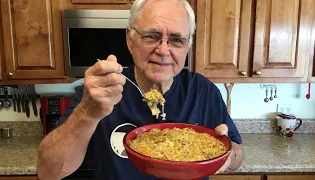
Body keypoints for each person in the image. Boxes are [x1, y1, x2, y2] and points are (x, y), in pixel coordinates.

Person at [36, 0, 243, 179]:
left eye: (177, 40)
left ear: (188, 45)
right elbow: (48, 173)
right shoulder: (98, 94)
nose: (163, 50)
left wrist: (224, 153)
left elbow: (237, 156)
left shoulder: (203, 91)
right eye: (151, 36)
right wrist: (86, 114)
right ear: (129, 38)